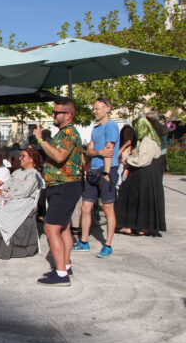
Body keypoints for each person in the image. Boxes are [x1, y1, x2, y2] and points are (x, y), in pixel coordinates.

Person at [32, 97, 83, 286]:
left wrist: (40, 139)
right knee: (64, 228)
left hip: (64, 186)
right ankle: (65, 266)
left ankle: (61, 275)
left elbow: (60, 156)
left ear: (68, 115)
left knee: (51, 228)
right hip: (62, 185)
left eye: (56, 112)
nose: (53, 115)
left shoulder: (69, 132)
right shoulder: (62, 133)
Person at [73, 98, 119, 258]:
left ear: (107, 109)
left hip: (107, 170)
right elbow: (89, 151)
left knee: (108, 208)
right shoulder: (96, 128)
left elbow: (109, 152)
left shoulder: (111, 126)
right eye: (94, 108)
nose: (94, 111)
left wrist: (106, 173)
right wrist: (97, 153)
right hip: (93, 169)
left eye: (97, 109)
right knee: (85, 207)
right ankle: (84, 242)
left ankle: (108, 245)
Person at [115, 117, 165, 236]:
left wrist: (128, 159)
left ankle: (135, 227)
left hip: (144, 173)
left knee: (137, 198)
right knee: (143, 199)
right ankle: (140, 227)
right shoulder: (148, 139)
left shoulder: (147, 140)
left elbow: (142, 160)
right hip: (147, 173)